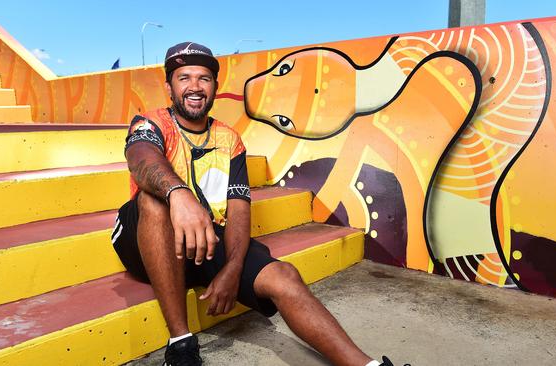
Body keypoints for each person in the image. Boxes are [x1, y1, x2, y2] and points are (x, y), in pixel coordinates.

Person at [111, 41, 406, 366]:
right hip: (149, 242)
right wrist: (178, 194)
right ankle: (180, 347)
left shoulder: (230, 140)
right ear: (169, 87)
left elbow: (238, 210)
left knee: (285, 276)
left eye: (203, 78)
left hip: (206, 240)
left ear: (215, 87)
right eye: (184, 78)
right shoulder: (150, 122)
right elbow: (141, 158)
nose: (194, 87)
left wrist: (232, 270)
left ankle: (366, 365)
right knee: (154, 201)